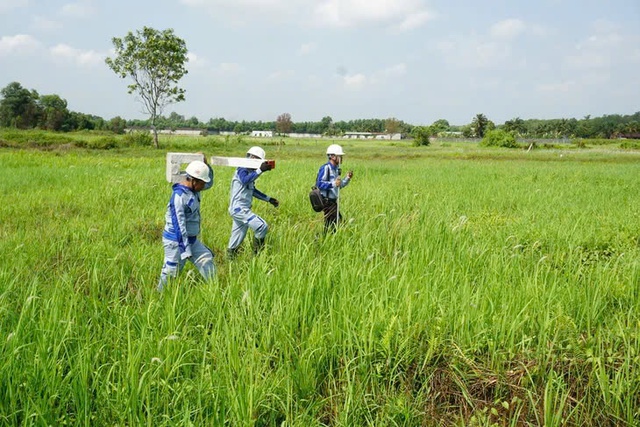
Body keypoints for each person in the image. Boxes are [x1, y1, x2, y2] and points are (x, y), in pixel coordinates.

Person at [157, 158, 215, 291]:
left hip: (191, 239)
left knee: (206, 259)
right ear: (193, 180)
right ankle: (160, 297)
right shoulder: (179, 197)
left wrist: (205, 163)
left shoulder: (194, 189)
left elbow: (209, 183)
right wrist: (184, 249)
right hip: (176, 241)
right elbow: (179, 224)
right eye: (202, 183)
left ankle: (215, 290)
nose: (204, 187)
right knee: (171, 271)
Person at [227, 146, 279, 258]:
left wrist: (269, 199)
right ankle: (257, 256)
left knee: (237, 237)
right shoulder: (242, 169)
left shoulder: (251, 172)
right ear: (248, 156)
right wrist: (260, 170)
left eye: (256, 158)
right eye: (253, 157)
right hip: (239, 208)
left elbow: (253, 190)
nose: (253, 159)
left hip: (241, 209)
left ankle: (230, 260)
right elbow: (245, 181)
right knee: (262, 226)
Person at [316, 144, 353, 232]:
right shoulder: (326, 168)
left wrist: (347, 178)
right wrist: (333, 184)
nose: (341, 158)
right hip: (327, 202)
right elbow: (319, 183)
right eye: (339, 156)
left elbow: (340, 185)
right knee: (333, 226)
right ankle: (321, 241)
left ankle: (322, 240)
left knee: (333, 225)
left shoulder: (336, 169)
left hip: (333, 202)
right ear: (332, 156)